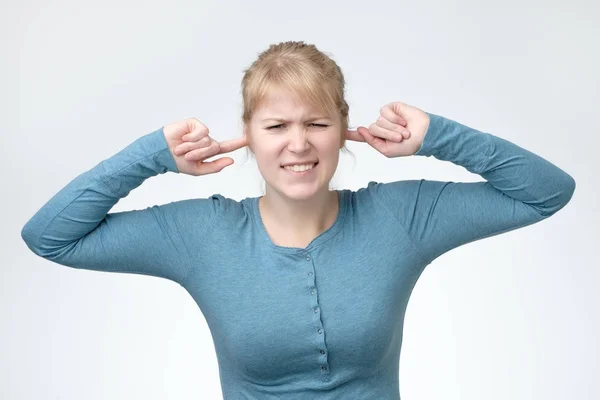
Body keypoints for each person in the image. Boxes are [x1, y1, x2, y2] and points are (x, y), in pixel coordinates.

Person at [20, 41, 576, 399]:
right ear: (248, 135)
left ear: (344, 129)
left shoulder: (400, 217)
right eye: (276, 126)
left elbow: (545, 194)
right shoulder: (202, 235)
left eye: (317, 122)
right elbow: (50, 237)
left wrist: (439, 137)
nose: (299, 144)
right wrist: (149, 157)